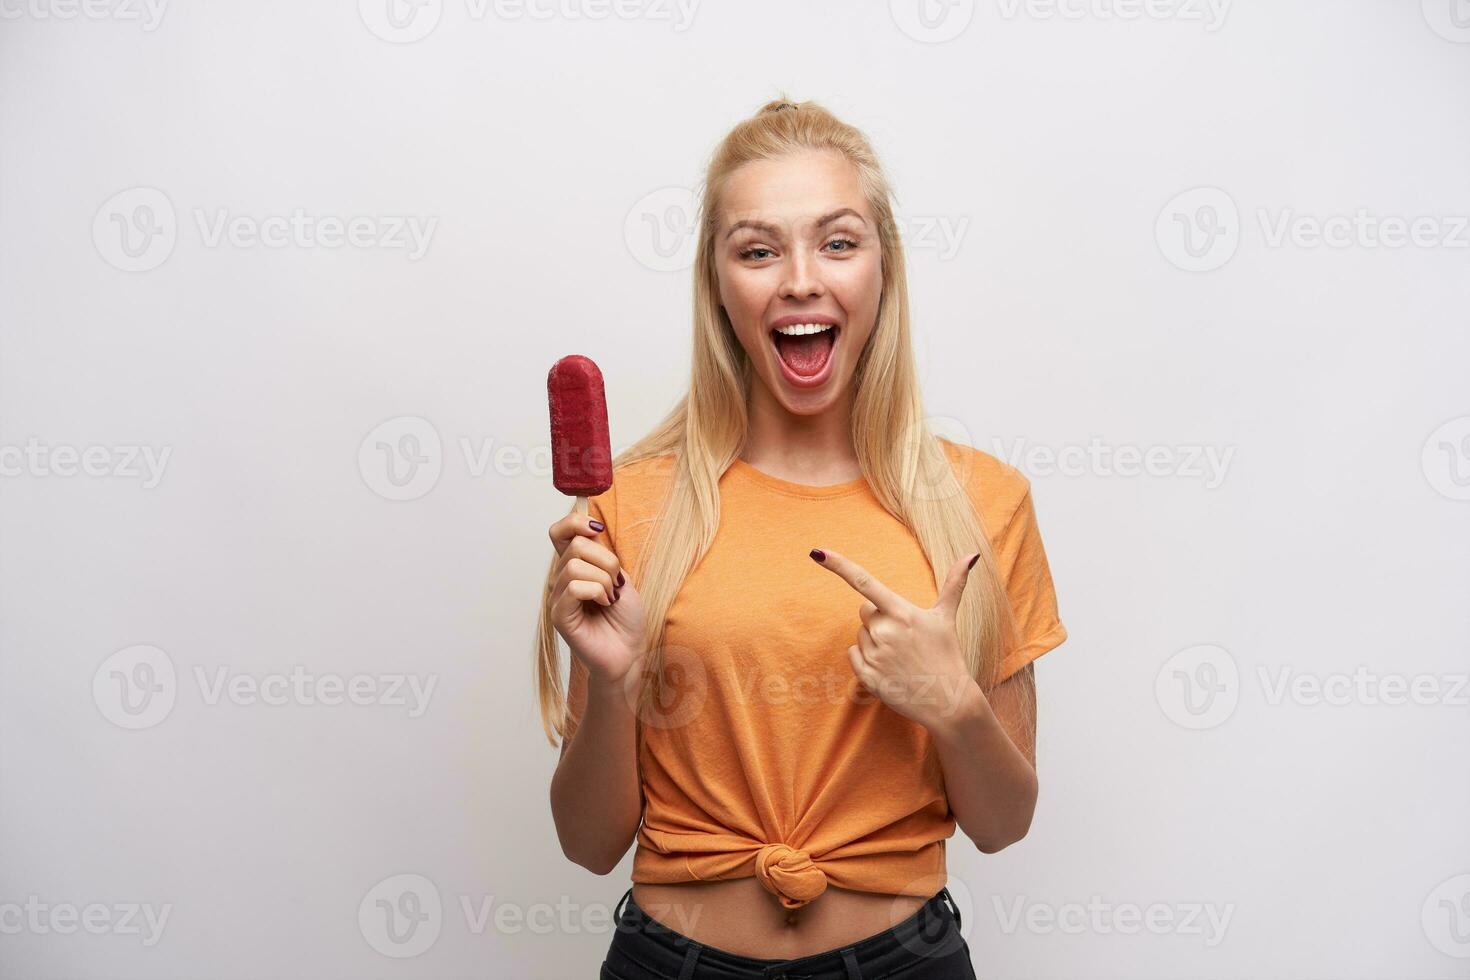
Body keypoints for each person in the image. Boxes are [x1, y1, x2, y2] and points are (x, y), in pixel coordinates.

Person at [536, 96, 1068, 979]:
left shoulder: (983, 502)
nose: (799, 280)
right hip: (671, 962)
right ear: (717, 283)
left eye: (838, 241)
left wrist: (953, 703)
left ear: (882, 270)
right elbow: (590, 844)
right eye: (757, 249)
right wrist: (612, 678)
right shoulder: (623, 507)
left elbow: (1004, 824)